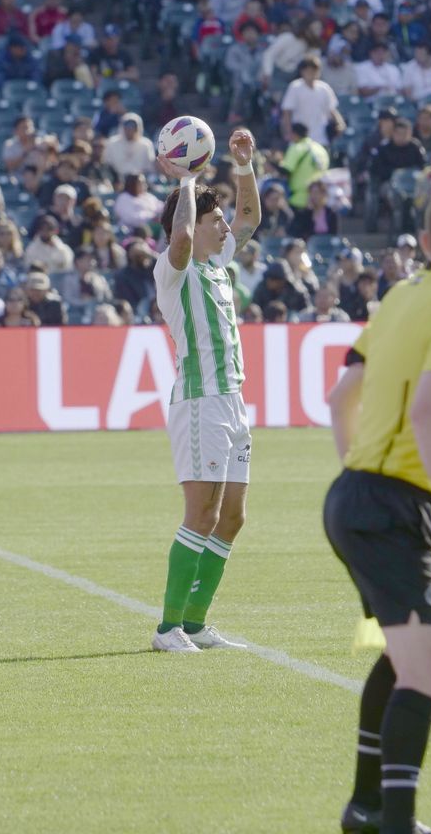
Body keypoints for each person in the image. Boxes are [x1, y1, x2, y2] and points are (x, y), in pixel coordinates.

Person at [323, 185, 431, 834]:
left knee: (403, 657)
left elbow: (341, 395)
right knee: (430, 669)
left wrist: (357, 472)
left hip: (351, 495)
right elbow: (428, 411)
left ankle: (367, 808)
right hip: (393, 502)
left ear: (424, 242)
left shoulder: (399, 295)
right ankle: (395, 821)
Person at [150, 128, 260, 654]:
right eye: (216, 220)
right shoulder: (173, 270)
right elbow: (181, 240)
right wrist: (189, 182)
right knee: (202, 514)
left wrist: (244, 165)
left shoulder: (217, 266)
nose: (226, 226)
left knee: (232, 518)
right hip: (201, 401)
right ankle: (167, 628)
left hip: (233, 401)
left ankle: (194, 624)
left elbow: (251, 217)